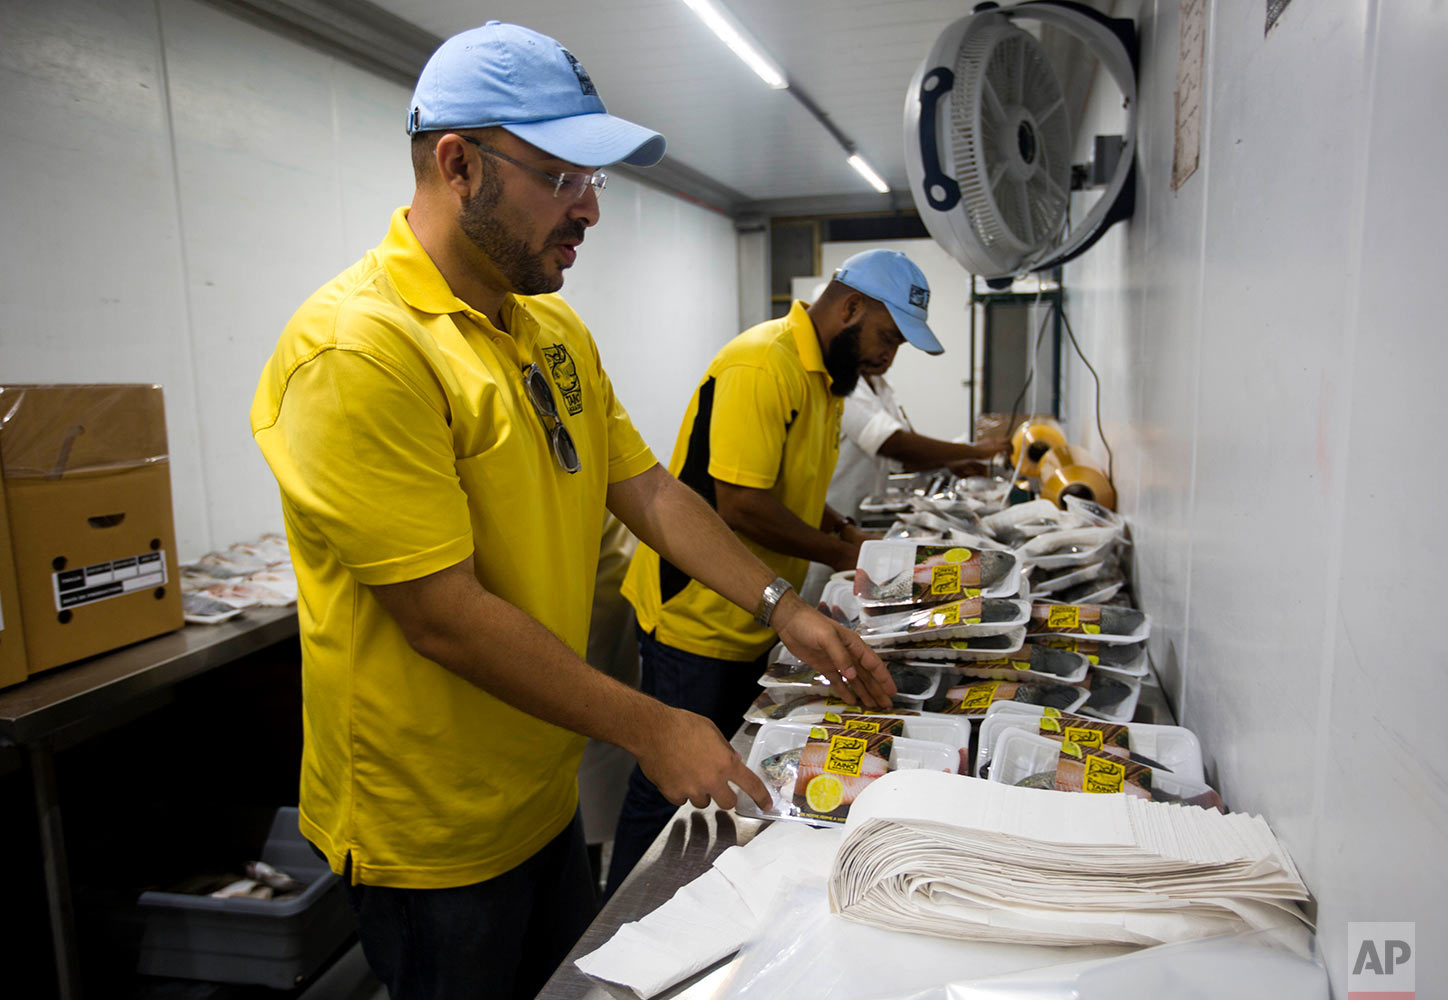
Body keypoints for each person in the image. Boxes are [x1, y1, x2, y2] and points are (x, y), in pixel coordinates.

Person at [248, 22, 892, 1000]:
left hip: (542, 794)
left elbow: (647, 490)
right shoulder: (360, 350)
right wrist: (653, 726)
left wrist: (782, 605)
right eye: (563, 178)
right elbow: (443, 616)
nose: (591, 208)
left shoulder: (549, 327)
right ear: (459, 165)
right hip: (436, 836)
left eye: (597, 180)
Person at [607, 249, 944, 894]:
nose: (888, 358)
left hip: (757, 608)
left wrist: (840, 526)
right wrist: (843, 556)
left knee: (724, 774)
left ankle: (698, 895)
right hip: (697, 619)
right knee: (668, 785)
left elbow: (787, 483)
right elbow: (742, 504)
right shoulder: (763, 364)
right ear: (850, 308)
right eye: (887, 337)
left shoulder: (826, 379)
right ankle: (619, 924)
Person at [802, 359, 1009, 602]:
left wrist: (949, 463)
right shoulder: (845, 387)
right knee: (823, 600)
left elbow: (905, 458)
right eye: (886, 338)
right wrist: (973, 450)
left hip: (858, 523)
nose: (889, 354)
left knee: (857, 600)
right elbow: (893, 444)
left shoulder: (881, 387)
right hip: (826, 522)